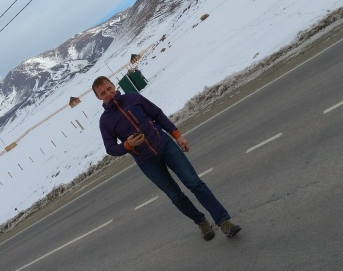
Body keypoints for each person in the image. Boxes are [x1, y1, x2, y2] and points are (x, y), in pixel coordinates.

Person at [92, 76, 241, 241]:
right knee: (175, 196)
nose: (108, 94)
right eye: (102, 93)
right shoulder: (105, 121)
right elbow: (111, 149)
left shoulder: (133, 98)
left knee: (194, 183)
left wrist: (177, 136)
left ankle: (224, 221)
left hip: (166, 146)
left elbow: (157, 114)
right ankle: (200, 221)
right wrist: (127, 145)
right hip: (147, 161)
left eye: (109, 88)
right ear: (98, 98)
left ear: (113, 86)